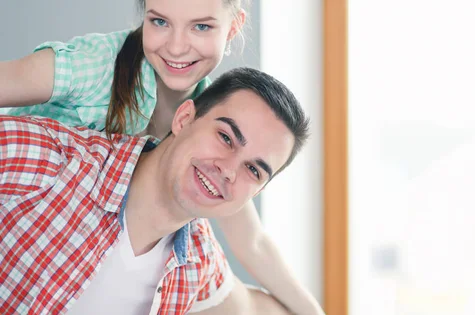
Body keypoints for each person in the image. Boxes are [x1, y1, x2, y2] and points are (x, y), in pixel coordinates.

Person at [0, 1, 324, 314]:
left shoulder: (212, 121)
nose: (177, 47)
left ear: (233, 27)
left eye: (201, 26)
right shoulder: (96, 67)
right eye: (159, 22)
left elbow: (252, 242)